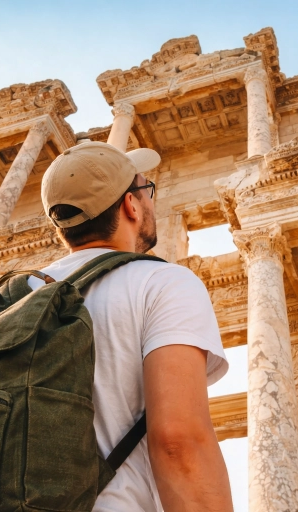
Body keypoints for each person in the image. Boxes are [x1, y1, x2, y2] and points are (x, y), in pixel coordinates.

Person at [33, 141, 233, 511]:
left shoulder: (1, 299)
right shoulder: (162, 281)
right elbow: (178, 442)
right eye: (146, 190)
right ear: (130, 204)